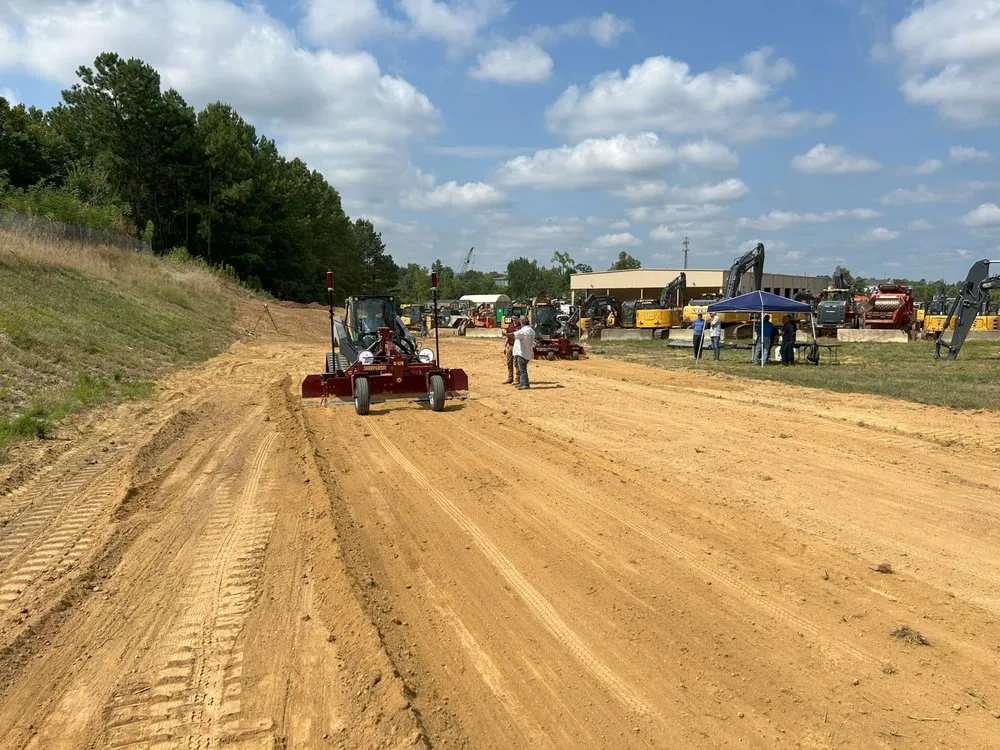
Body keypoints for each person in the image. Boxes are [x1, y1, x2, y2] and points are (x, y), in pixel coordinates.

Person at [512, 318, 536, 389]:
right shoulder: (531, 331)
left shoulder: (523, 331)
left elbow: (513, 334)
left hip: (521, 352)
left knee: (522, 369)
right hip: (527, 352)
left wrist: (505, 334)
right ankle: (522, 383)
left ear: (522, 323)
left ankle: (525, 384)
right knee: (522, 369)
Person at [502, 313, 522, 384]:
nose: (513, 320)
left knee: (517, 363)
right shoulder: (510, 325)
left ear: (519, 318)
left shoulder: (521, 326)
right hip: (511, 345)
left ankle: (517, 379)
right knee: (509, 362)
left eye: (515, 318)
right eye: (512, 318)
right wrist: (504, 346)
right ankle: (510, 378)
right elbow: (508, 336)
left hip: (518, 346)